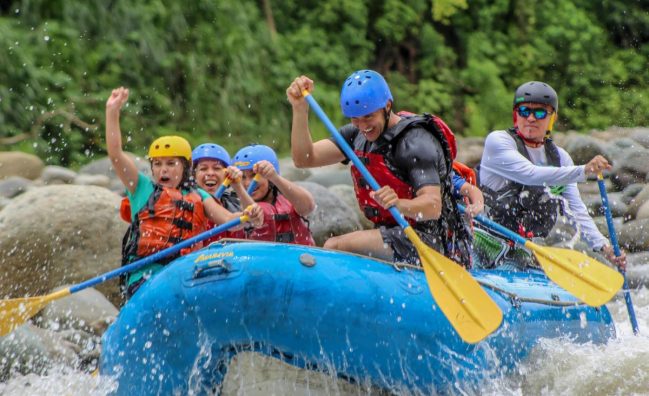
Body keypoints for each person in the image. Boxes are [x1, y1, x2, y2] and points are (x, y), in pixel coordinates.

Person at [286, 70, 472, 266]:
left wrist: (399, 204)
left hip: (428, 240)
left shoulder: (415, 142)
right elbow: (304, 159)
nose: (362, 125)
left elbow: (433, 206)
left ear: (387, 106)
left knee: (335, 245)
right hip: (391, 234)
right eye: (355, 119)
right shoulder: (356, 135)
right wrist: (300, 109)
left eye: (368, 116)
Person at [105, 87, 263, 298]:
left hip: (185, 274)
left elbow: (228, 220)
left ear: (185, 167)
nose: (163, 170)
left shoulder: (199, 195)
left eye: (171, 164)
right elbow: (116, 154)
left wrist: (248, 215)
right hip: (145, 277)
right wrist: (112, 112)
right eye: (158, 164)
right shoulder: (142, 188)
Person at [478, 81, 626, 268]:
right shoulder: (498, 141)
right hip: (483, 241)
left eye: (539, 112)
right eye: (524, 111)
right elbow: (529, 174)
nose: (531, 118)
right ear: (516, 115)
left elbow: (577, 212)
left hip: (521, 250)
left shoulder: (560, 158)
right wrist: (584, 170)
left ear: (552, 118)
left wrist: (605, 247)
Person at [233, 144, 316, 245]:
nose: (248, 183)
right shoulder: (235, 205)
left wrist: (275, 177)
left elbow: (308, 207)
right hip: (260, 258)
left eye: (254, 175)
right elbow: (251, 213)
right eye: (243, 177)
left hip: (299, 258)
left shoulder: (289, 197)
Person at [192, 143, 255, 243]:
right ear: (194, 176)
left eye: (217, 168)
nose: (210, 173)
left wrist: (238, 186)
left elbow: (255, 219)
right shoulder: (186, 201)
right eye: (203, 169)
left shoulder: (233, 204)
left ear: (226, 174)